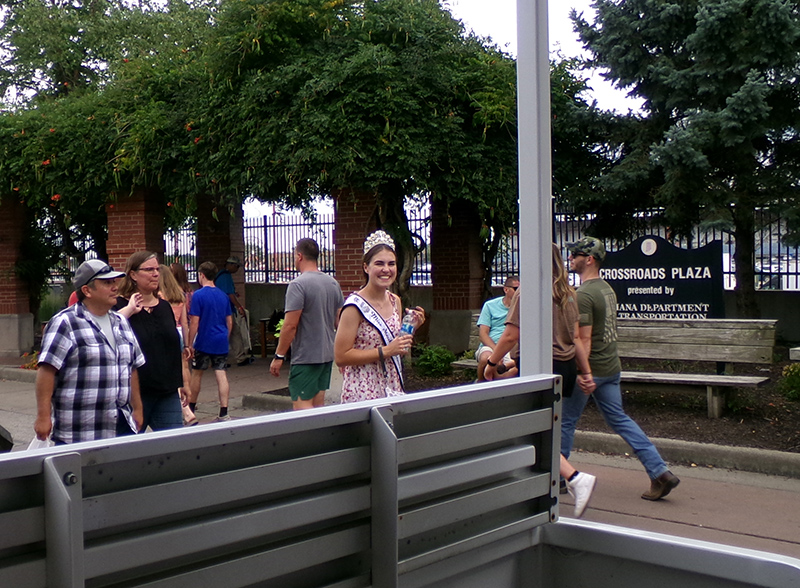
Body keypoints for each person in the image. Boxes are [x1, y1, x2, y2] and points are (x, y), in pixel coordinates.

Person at [483, 246, 598, 518]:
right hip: (565, 366)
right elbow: (577, 338)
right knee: (545, 428)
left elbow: (511, 335)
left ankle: (574, 477)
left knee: (528, 428)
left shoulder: (528, 291)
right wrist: (586, 372)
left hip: (540, 366)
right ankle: (543, 487)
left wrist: (491, 364)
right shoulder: (568, 294)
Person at [564, 236, 680, 501]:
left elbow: (584, 339)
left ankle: (560, 478)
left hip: (592, 370)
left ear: (589, 259)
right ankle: (660, 472)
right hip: (612, 367)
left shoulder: (583, 295)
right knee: (621, 421)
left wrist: (584, 374)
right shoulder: (606, 289)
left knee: (565, 422)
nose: (570, 260)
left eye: (575, 256)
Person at [34, 259, 144, 444]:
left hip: (120, 426)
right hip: (79, 431)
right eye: (107, 283)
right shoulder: (65, 323)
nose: (114, 287)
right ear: (87, 290)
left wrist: (138, 408)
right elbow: (47, 371)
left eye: (114, 282)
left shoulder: (121, 322)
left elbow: (132, 367)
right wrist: (43, 416)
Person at [334, 230, 424, 403]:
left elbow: (394, 344)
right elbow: (341, 356)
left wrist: (412, 327)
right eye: (379, 263)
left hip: (391, 384)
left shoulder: (395, 301)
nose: (386, 269)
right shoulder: (354, 306)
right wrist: (386, 351)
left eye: (391, 264)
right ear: (366, 267)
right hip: (362, 388)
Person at [270, 238, 344, 410]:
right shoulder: (333, 283)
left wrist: (279, 356)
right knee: (318, 406)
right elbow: (339, 322)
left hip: (306, 357)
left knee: (302, 409)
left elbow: (290, 326)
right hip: (326, 355)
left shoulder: (298, 285)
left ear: (299, 256)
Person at [115, 252, 185, 431]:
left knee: (174, 446)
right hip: (135, 393)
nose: (155, 274)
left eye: (156, 269)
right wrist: (129, 310)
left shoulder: (164, 307)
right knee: (128, 449)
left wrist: (182, 382)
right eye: (149, 270)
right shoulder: (119, 305)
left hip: (167, 391)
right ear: (133, 274)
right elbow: (108, 329)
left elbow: (173, 348)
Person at [187, 261, 233, 421]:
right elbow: (230, 322)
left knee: (197, 374)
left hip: (204, 340)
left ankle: (191, 408)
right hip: (220, 339)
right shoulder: (223, 295)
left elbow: (194, 322)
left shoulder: (198, 295)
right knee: (221, 373)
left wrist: (189, 343)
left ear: (201, 275)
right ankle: (224, 411)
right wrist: (225, 338)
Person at [158, 264, 197, 426]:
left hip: (165, 334)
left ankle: (182, 407)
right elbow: (184, 323)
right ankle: (186, 399)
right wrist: (188, 344)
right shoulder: (179, 295)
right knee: (184, 367)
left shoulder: (160, 296)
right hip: (178, 332)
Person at [476, 275, 520, 381]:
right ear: (506, 289)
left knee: (517, 367)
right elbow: (483, 335)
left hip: (513, 348)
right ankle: (481, 389)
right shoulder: (490, 305)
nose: (519, 292)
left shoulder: (523, 307)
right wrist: (498, 352)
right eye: (516, 289)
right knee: (486, 358)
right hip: (491, 346)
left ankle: (495, 383)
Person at [215, 255, 254, 366]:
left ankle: (237, 357)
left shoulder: (220, 276)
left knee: (231, 333)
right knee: (231, 333)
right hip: (225, 309)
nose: (237, 269)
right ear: (231, 265)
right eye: (236, 266)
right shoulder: (226, 276)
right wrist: (239, 307)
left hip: (221, 309)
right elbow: (229, 294)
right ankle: (231, 358)